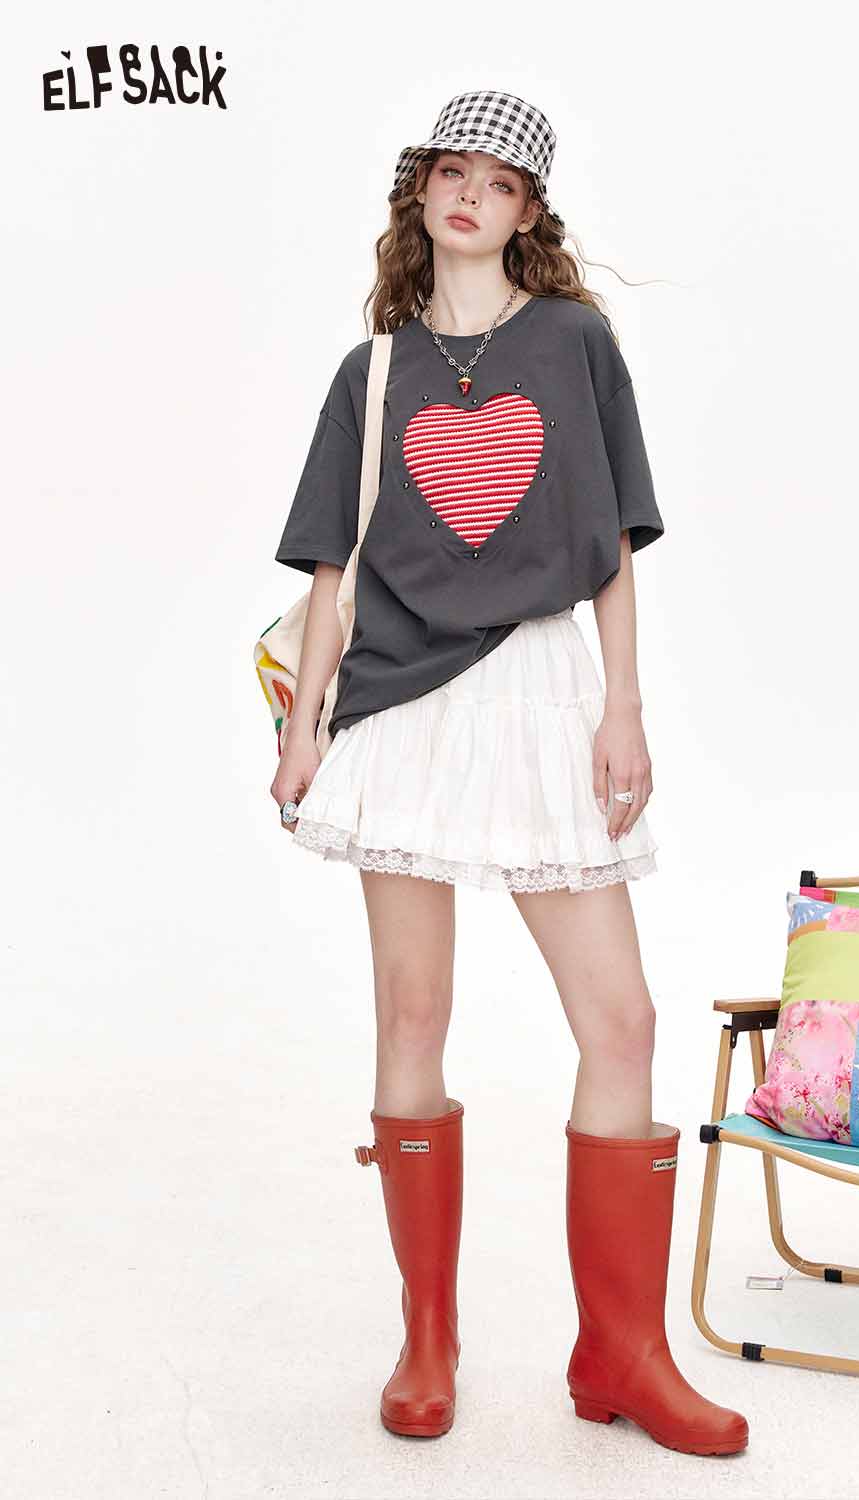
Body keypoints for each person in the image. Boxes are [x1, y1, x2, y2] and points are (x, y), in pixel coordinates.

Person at [269, 89, 749, 1456]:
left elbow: (610, 546)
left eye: (499, 180)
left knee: (623, 1021)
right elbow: (329, 568)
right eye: (451, 173)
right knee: (412, 1017)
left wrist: (623, 709)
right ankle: (427, 1337)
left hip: (544, 695)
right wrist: (304, 729)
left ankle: (622, 1354)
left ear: (530, 210)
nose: (470, 194)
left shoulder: (574, 343)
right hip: (398, 707)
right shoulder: (372, 373)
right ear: (420, 195)